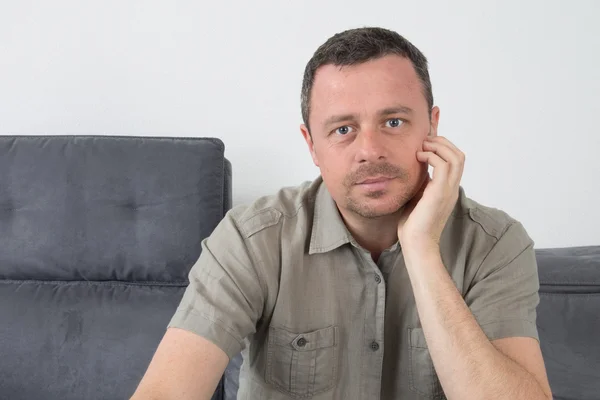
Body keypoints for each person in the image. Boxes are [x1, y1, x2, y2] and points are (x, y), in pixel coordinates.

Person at [131, 27, 552, 400]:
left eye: (393, 122)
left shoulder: (497, 245)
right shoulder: (252, 239)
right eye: (343, 130)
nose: (369, 150)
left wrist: (422, 250)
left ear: (432, 127)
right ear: (312, 145)